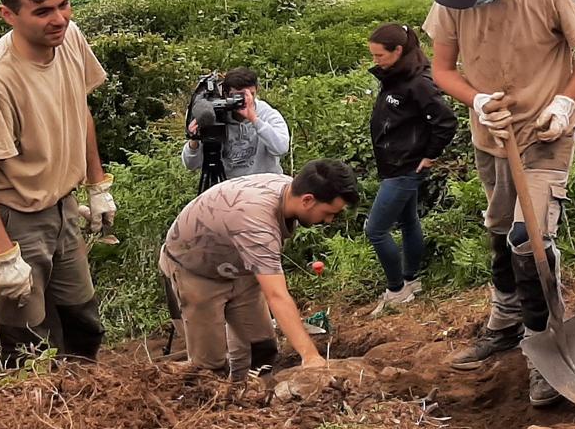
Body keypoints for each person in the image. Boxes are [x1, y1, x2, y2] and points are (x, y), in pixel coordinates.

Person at [424, 0, 575, 406]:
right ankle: (503, 322)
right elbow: (443, 70)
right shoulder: (453, 0)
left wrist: (567, 101)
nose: (468, 0)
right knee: (499, 229)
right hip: (493, 135)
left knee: (530, 241)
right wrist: (478, 99)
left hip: (546, 132)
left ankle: (541, 344)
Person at [0, 0, 114, 366]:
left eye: (63, 5)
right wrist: (4, 256)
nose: (58, 19)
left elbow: (80, 110)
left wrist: (97, 185)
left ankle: (84, 398)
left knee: (83, 321)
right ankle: (36, 416)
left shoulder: (69, 38)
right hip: (12, 214)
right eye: (42, 11)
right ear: (8, 14)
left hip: (61, 206)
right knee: (26, 339)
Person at [158, 158, 361, 377]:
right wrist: (310, 356)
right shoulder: (257, 223)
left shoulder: (288, 189)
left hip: (239, 266)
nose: (329, 220)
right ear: (308, 200)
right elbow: (276, 295)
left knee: (261, 349)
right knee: (208, 368)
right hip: (195, 271)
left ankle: (244, 395)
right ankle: (192, 396)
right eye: (328, 212)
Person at [365, 23, 457, 315]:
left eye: (379, 55)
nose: (375, 61)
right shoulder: (395, 76)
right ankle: (411, 280)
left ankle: (397, 290)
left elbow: (445, 121)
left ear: (399, 51)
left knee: (376, 229)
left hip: (406, 167)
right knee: (408, 222)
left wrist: (430, 156)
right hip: (393, 163)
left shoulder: (419, 82)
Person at [181, 67, 290, 180]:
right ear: (226, 94)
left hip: (265, 184)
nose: (246, 100)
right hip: (232, 188)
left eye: (251, 94)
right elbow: (190, 164)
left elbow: (281, 148)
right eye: (239, 96)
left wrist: (254, 119)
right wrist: (195, 139)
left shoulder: (267, 114)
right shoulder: (217, 115)